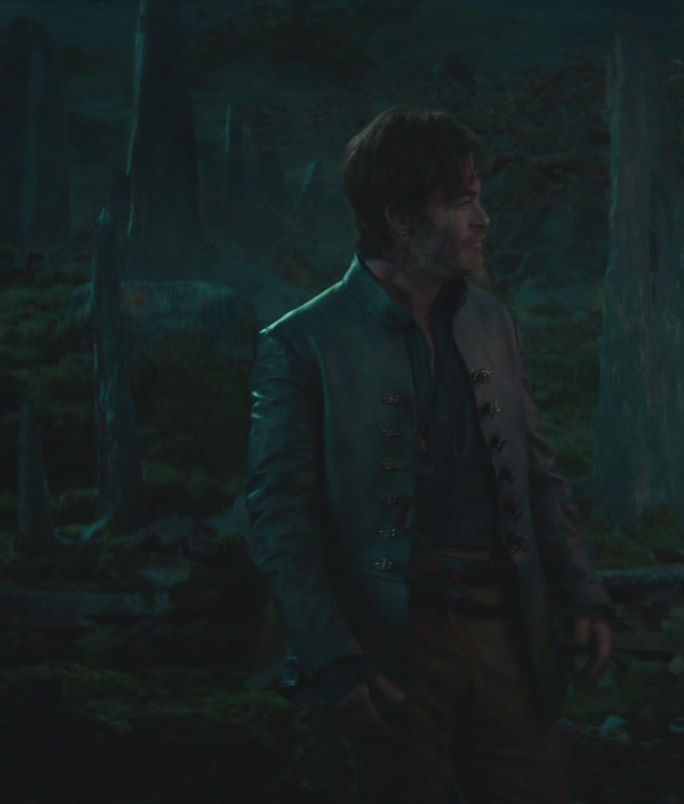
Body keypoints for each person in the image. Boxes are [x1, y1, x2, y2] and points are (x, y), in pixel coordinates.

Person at [245, 108, 613, 804]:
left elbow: (538, 474)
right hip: (389, 643)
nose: (483, 220)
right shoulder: (303, 343)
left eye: (480, 198)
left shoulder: (492, 323)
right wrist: (332, 658)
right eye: (459, 202)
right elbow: (279, 518)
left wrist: (581, 592)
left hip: (506, 633)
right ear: (400, 218)